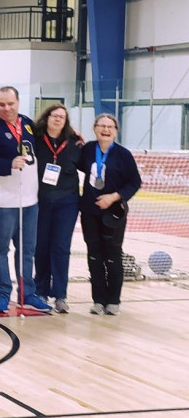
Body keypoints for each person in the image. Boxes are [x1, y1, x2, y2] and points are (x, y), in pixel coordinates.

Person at [0, 86, 51, 313]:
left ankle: (27, 293)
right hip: (1, 200)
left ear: (18, 102)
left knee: (27, 249)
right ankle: (2, 293)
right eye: (2, 104)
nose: (6, 108)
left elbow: (50, 138)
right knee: (0, 249)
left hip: (29, 199)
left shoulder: (28, 123)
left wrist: (73, 133)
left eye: (10, 104)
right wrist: (7, 164)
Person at [77, 114, 141, 316]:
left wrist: (114, 197)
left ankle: (113, 300)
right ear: (95, 128)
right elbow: (74, 162)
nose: (105, 129)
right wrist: (73, 137)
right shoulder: (87, 150)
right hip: (89, 212)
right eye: (101, 126)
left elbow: (134, 182)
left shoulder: (123, 155)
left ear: (116, 130)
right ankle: (98, 300)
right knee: (94, 256)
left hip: (113, 213)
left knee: (113, 256)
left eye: (110, 126)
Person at [32, 104, 82, 314]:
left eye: (63, 117)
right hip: (41, 200)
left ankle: (60, 295)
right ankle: (40, 291)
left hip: (67, 202)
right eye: (55, 116)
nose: (58, 119)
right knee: (41, 247)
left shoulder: (75, 143)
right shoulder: (35, 139)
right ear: (47, 117)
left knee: (61, 248)